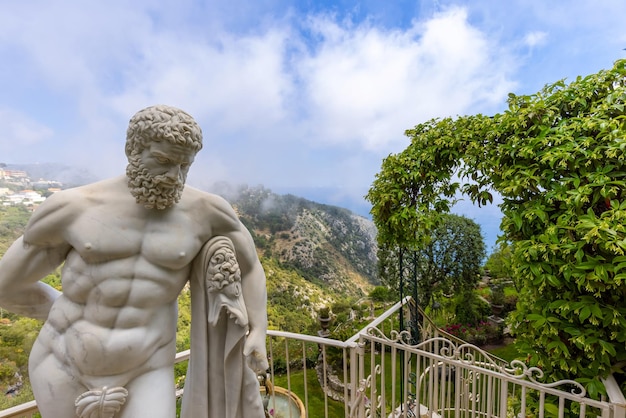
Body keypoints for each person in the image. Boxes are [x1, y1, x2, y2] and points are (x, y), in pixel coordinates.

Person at [0, 105, 268, 418]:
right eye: (164, 161)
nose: (173, 177)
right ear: (133, 150)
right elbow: (6, 285)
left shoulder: (207, 213)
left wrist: (259, 330)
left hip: (147, 368)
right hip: (62, 362)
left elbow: (249, 267)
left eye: (184, 165)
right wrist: (63, 311)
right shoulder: (73, 209)